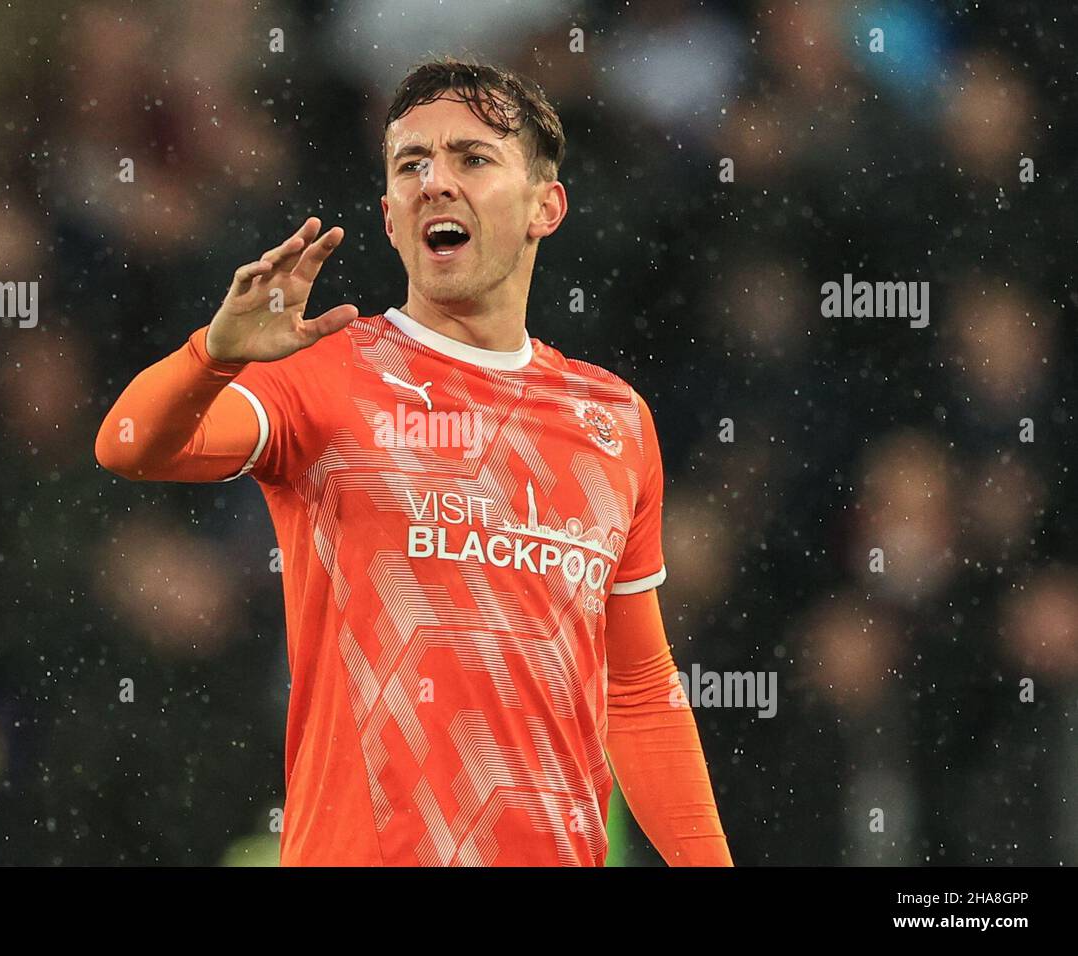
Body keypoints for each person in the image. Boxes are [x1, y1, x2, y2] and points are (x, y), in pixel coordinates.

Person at [96, 57, 732, 867]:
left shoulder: (614, 420)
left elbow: (638, 692)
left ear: (547, 206)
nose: (436, 182)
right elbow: (129, 446)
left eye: (473, 157)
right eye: (412, 165)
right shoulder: (326, 374)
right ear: (392, 217)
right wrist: (211, 355)